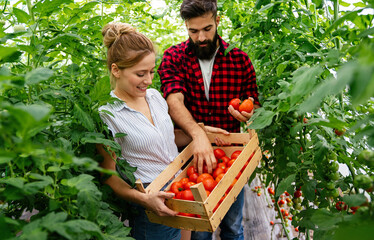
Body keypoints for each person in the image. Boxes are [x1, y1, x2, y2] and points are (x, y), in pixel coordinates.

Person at [97, 22, 228, 240]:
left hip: (181, 189)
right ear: (116, 70)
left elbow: (168, 138)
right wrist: (144, 199)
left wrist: (201, 132)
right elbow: (109, 176)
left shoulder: (154, 97)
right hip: (153, 201)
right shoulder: (107, 115)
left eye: (151, 71)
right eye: (140, 74)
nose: (148, 81)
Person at [157, 0, 261, 239]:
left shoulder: (240, 60)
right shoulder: (174, 57)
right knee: (200, 231)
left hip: (230, 156)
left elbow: (252, 100)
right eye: (193, 31)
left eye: (207, 29)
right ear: (185, 26)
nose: (201, 37)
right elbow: (174, 101)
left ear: (217, 21)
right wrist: (199, 134)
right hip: (192, 155)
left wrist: (248, 111)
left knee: (233, 227)